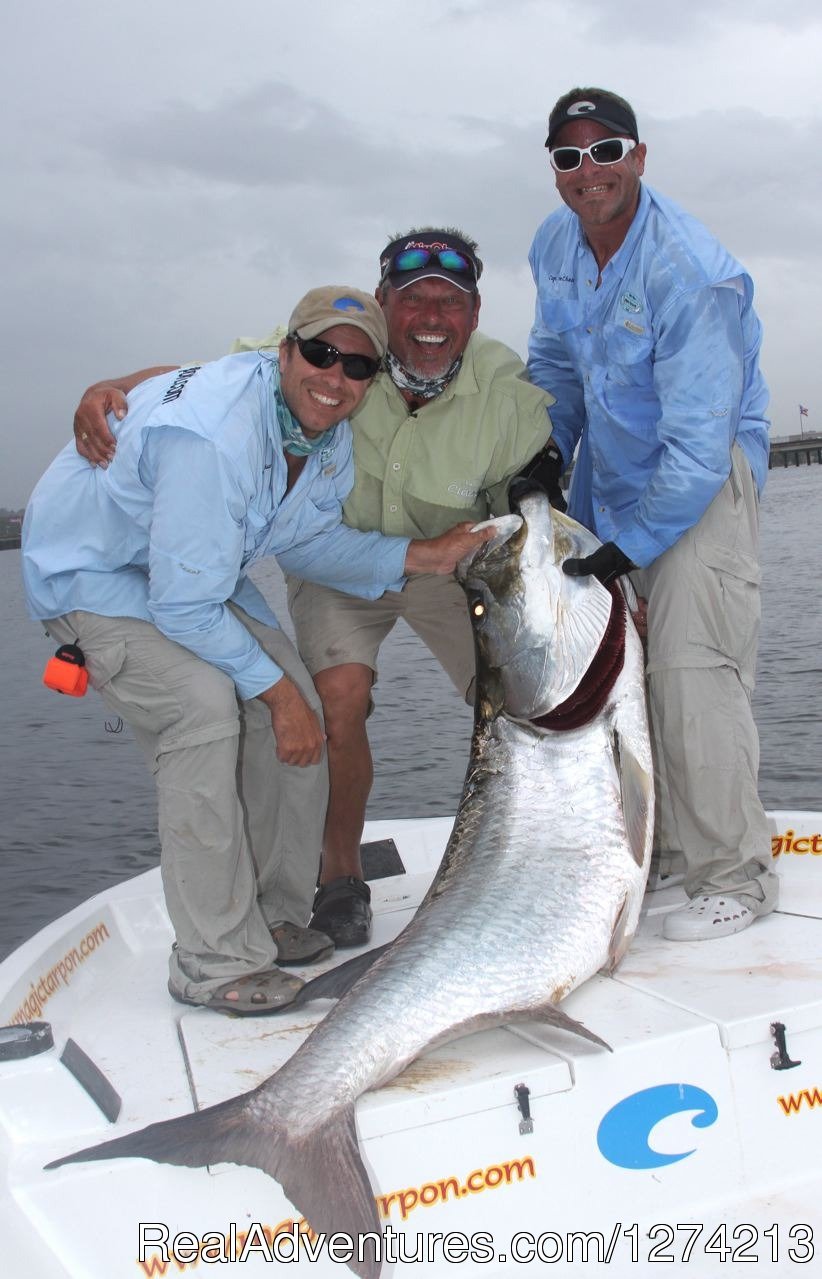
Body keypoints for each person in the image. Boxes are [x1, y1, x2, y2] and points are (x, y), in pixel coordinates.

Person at [72, 229, 557, 948]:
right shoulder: (332, 349)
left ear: (475, 315)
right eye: (412, 297)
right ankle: (338, 879)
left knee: (527, 700)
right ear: (382, 303)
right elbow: (211, 376)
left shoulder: (506, 390)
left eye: (448, 302)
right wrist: (112, 388)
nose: (430, 315)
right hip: (334, 560)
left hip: (440, 559)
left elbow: (535, 493)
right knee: (337, 700)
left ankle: (541, 856)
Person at [23, 286, 492, 1014]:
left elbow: (308, 540)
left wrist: (424, 557)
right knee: (206, 707)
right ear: (284, 351)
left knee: (300, 699)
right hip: (92, 572)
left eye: (358, 365)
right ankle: (212, 962)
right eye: (319, 353)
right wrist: (270, 694)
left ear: (373, 380)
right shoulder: (217, 436)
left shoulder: (322, 435)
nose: (334, 377)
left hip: (186, 566)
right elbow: (183, 604)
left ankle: (275, 915)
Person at [527, 88, 778, 941]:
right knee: (622, 677)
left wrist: (623, 551)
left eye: (606, 152)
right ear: (555, 171)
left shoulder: (689, 272)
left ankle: (735, 875)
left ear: (638, 157)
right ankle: (666, 849)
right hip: (616, 480)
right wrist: (547, 448)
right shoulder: (555, 243)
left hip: (699, 483)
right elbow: (554, 359)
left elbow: (701, 449)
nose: (587, 171)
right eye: (569, 156)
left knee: (691, 670)